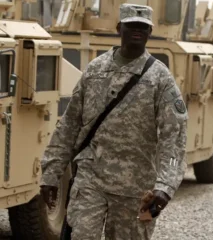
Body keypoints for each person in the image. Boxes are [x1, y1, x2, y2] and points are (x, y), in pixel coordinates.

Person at [39, 3, 188, 239]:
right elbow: (69, 125)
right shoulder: (95, 70)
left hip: (135, 186)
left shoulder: (161, 79)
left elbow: (174, 136)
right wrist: (51, 173)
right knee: (82, 235)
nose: (137, 31)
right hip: (91, 177)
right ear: (119, 28)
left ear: (150, 33)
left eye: (143, 27)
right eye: (131, 26)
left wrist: (165, 186)